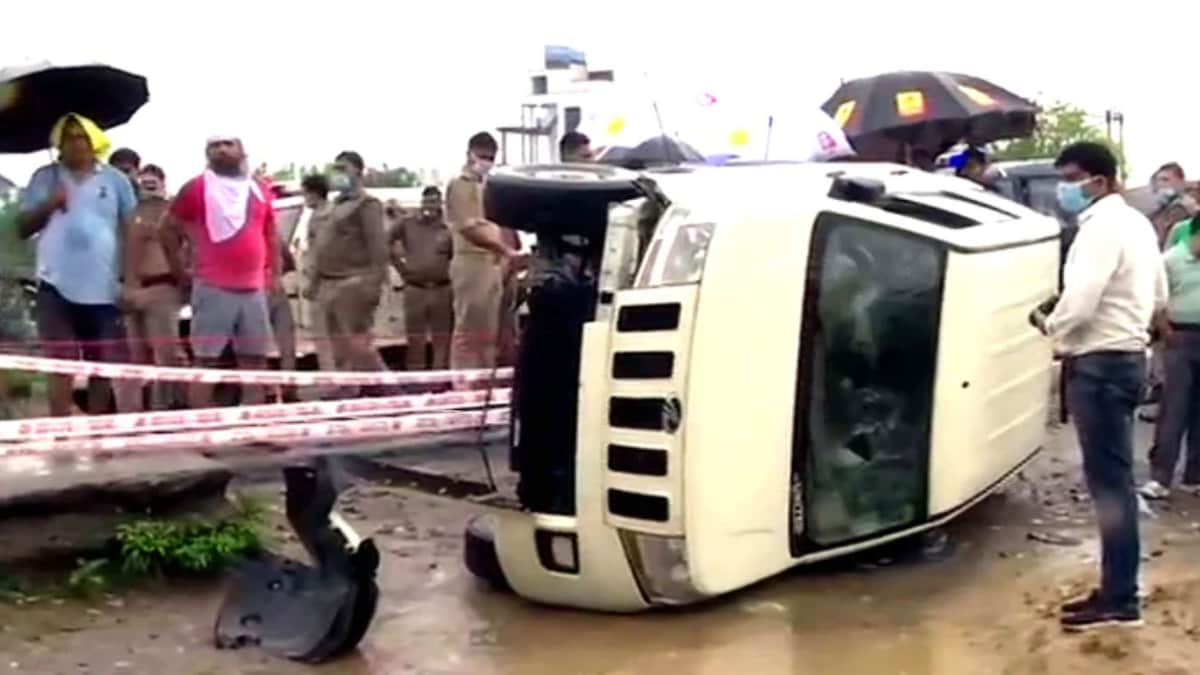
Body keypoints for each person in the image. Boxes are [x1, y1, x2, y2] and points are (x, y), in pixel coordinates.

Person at [1033, 142, 1167, 631]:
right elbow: (1160, 294)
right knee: (1117, 482)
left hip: (1101, 364)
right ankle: (1118, 588)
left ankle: (1120, 599)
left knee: (1111, 488)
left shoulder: (1100, 229)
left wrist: (1051, 328)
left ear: (1101, 180)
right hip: (1127, 359)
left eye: (1072, 178)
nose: (1064, 189)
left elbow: (1082, 298)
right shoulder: (1136, 224)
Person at [17, 114, 139, 416]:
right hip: (54, 285)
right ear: (58, 144)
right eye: (68, 137)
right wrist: (50, 204)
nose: (75, 143)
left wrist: (130, 281)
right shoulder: (44, 177)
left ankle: (96, 428)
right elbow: (22, 228)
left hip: (103, 288)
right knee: (61, 362)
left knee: (102, 364)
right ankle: (61, 428)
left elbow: (131, 232)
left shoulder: (116, 180)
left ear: (93, 140)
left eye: (81, 136)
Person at [161, 135, 281, 408]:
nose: (222, 150)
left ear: (241, 151)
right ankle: (202, 423)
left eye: (228, 144)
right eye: (215, 146)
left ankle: (252, 422)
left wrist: (274, 276)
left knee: (255, 360)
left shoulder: (258, 189)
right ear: (207, 153)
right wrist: (180, 272)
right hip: (213, 287)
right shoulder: (196, 188)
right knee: (206, 361)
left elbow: (271, 235)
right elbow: (167, 230)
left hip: (253, 288)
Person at [304, 151, 390, 394]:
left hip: (353, 282)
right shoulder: (336, 206)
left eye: (344, 168)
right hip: (329, 283)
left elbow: (378, 248)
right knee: (339, 349)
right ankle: (350, 394)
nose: (338, 174)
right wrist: (315, 281)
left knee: (359, 345)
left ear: (358, 172)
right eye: (336, 169)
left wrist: (373, 286)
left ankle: (387, 391)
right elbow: (322, 247)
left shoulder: (367, 204)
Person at [445, 132, 525, 373]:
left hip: (496, 262)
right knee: (471, 332)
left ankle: (487, 379)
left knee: (494, 333)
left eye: (491, 158)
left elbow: (504, 224)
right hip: (473, 262)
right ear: (469, 154)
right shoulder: (460, 185)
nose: (486, 162)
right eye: (482, 156)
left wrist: (510, 256)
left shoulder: (490, 186)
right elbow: (469, 228)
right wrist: (506, 251)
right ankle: (466, 382)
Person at [1139, 217, 1200, 500]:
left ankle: (1195, 476)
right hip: (1179, 337)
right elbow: (1156, 301)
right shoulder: (1171, 261)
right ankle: (1160, 477)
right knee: (1174, 407)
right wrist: (1166, 331)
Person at [122, 164, 186, 410]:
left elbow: (184, 247)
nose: (148, 185)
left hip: (162, 287)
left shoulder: (173, 212)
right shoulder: (128, 213)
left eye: (153, 181)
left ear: (162, 183)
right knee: (136, 357)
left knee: (166, 356)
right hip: (132, 289)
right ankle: (140, 411)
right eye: (144, 182)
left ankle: (164, 409)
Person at [392, 186, 453, 371]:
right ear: (422, 202)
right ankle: (416, 378)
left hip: (442, 289)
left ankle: (439, 378)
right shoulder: (407, 223)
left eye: (435, 201)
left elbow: (456, 254)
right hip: (414, 288)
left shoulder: (449, 227)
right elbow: (384, 242)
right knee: (415, 339)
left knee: (442, 339)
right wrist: (400, 268)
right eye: (427, 201)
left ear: (440, 203)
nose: (430, 206)